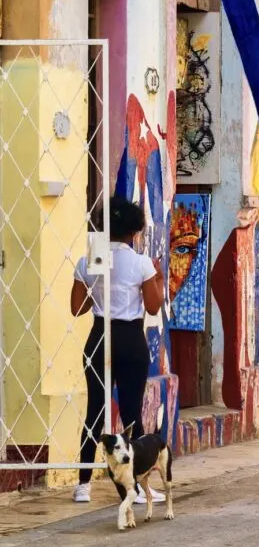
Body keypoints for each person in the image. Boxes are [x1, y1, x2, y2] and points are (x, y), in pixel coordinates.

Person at [70, 196, 165, 504]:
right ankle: (135, 487)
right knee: (131, 413)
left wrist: (98, 287)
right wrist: (157, 276)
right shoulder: (141, 264)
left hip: (99, 335)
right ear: (134, 231)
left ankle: (83, 485)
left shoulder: (88, 261)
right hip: (130, 338)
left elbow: (76, 307)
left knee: (94, 411)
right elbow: (152, 305)